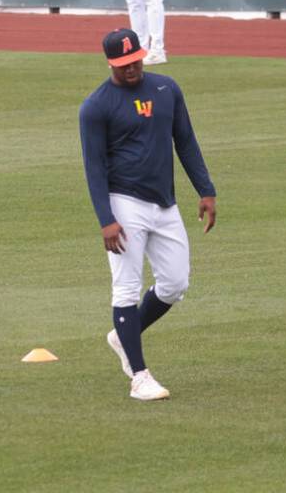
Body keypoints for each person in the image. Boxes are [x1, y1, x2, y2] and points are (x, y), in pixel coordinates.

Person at [78, 28, 217, 401]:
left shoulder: (166, 89)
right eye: (123, 64)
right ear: (110, 63)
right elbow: (94, 167)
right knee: (125, 286)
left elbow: (185, 139)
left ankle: (124, 334)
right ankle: (139, 377)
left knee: (175, 284)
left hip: (164, 202)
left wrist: (205, 189)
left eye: (135, 59)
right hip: (123, 203)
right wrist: (106, 218)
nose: (132, 68)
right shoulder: (96, 106)